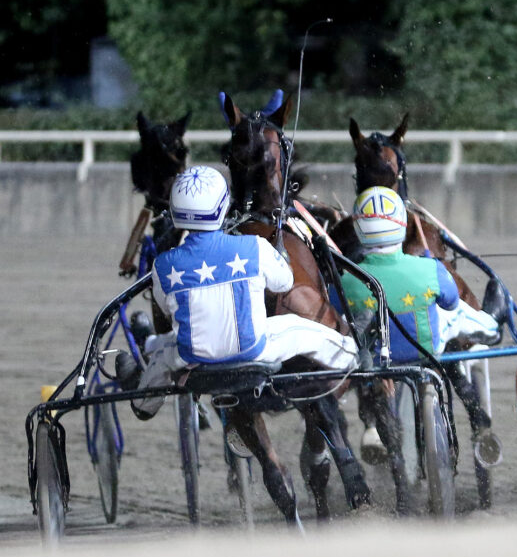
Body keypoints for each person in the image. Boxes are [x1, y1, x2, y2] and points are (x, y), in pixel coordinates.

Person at [118, 166, 363, 419]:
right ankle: (353, 359)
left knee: (164, 354)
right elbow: (283, 283)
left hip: (193, 359)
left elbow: (168, 307)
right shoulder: (254, 247)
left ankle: (144, 404)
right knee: (300, 328)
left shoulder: (163, 265)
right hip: (253, 351)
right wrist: (278, 257)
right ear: (223, 206)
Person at [339, 186, 505, 468]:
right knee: (456, 315)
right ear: (402, 223)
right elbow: (452, 302)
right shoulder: (430, 268)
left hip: (377, 359)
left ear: (358, 228)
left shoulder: (345, 278)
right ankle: (491, 326)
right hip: (427, 349)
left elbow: (336, 314)